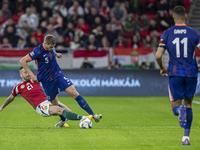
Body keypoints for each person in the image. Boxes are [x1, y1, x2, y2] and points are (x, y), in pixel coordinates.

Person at [20, 34, 102, 124]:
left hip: (58, 74)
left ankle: (93, 115)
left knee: (74, 93)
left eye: (53, 47)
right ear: (45, 43)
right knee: (55, 104)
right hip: (47, 80)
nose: (52, 48)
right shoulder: (37, 51)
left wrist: (56, 54)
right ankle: (63, 120)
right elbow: (22, 61)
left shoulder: (51, 47)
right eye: (50, 47)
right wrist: (32, 75)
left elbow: (50, 52)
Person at [155, 6, 200, 145]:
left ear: (173, 17)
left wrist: (162, 68)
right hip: (191, 73)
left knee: (176, 106)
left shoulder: (167, 33)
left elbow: (158, 55)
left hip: (175, 72)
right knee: (189, 105)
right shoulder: (194, 33)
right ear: (186, 16)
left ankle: (178, 110)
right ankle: (186, 138)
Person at [0, 67, 93, 127]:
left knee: (69, 112)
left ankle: (61, 123)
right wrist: (2, 106)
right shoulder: (18, 87)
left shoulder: (35, 78)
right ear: (21, 75)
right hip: (40, 106)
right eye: (25, 73)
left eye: (28, 72)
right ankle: (83, 118)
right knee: (61, 111)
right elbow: (10, 98)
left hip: (47, 101)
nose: (28, 74)